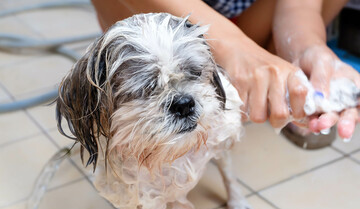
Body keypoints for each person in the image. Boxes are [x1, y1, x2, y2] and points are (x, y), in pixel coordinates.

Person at [91, 0, 360, 148]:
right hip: (151, 22)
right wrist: (235, 50)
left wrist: (306, 48)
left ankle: (277, 87)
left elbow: (299, 7)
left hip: (247, 19)